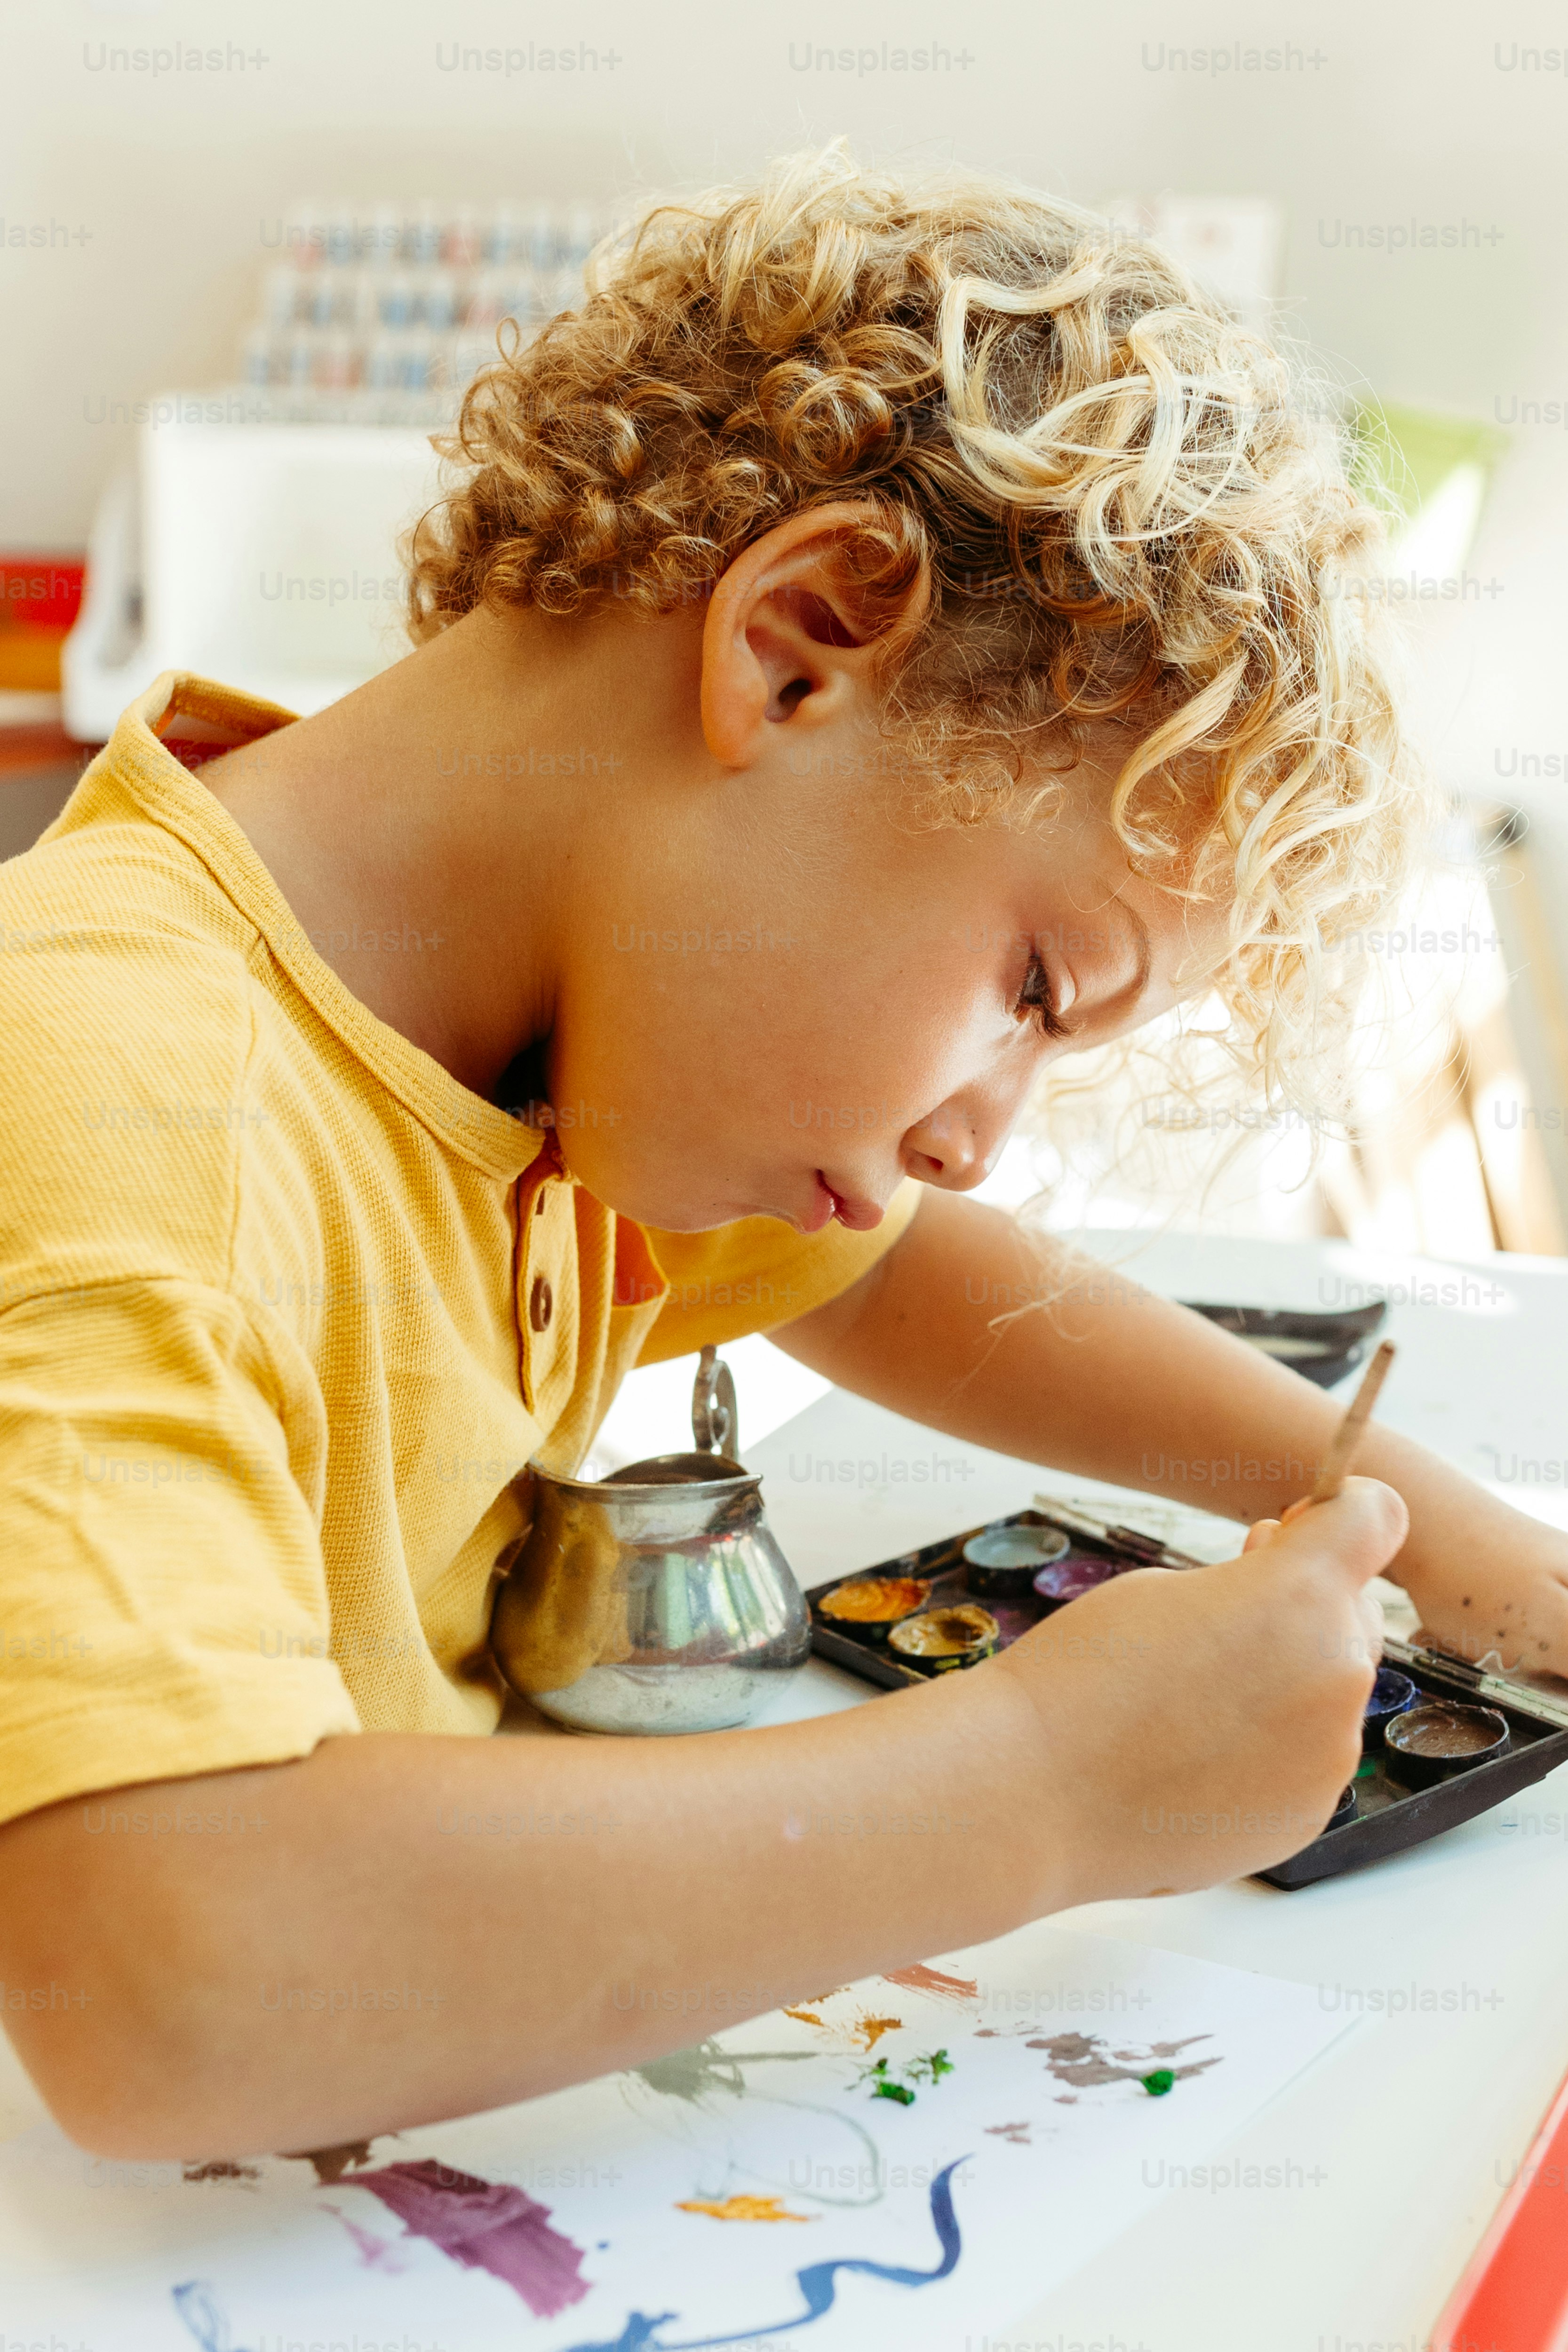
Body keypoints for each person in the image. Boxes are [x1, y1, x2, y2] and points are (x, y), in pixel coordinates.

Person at [1, 148, 1558, 2165]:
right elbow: (173, 1980)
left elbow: (912, 1270)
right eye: (1030, 980)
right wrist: (1045, 1780)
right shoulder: (120, 1100)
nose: (975, 1136)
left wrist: (1406, 1504)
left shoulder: (511, 1012)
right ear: (801, 641)